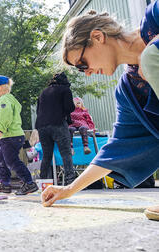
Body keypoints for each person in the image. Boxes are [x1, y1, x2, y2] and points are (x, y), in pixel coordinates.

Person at [41, 1, 159, 221]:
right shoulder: (129, 92)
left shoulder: (155, 16)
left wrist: (154, 52)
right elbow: (115, 149)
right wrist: (68, 190)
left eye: (82, 63)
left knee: (151, 57)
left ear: (97, 37)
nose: (86, 73)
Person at [0, 75, 39, 195]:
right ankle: (5, 184)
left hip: (10, 136)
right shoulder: (5, 100)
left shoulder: (4, 99)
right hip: (10, 136)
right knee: (1, 159)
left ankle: (29, 183)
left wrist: (0, 130)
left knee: (12, 161)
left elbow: (6, 116)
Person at [35, 72, 77, 185]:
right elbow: (70, 107)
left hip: (42, 126)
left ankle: (43, 182)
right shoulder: (65, 90)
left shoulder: (43, 92)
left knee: (46, 155)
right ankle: (70, 181)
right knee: (66, 153)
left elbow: (38, 110)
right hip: (58, 124)